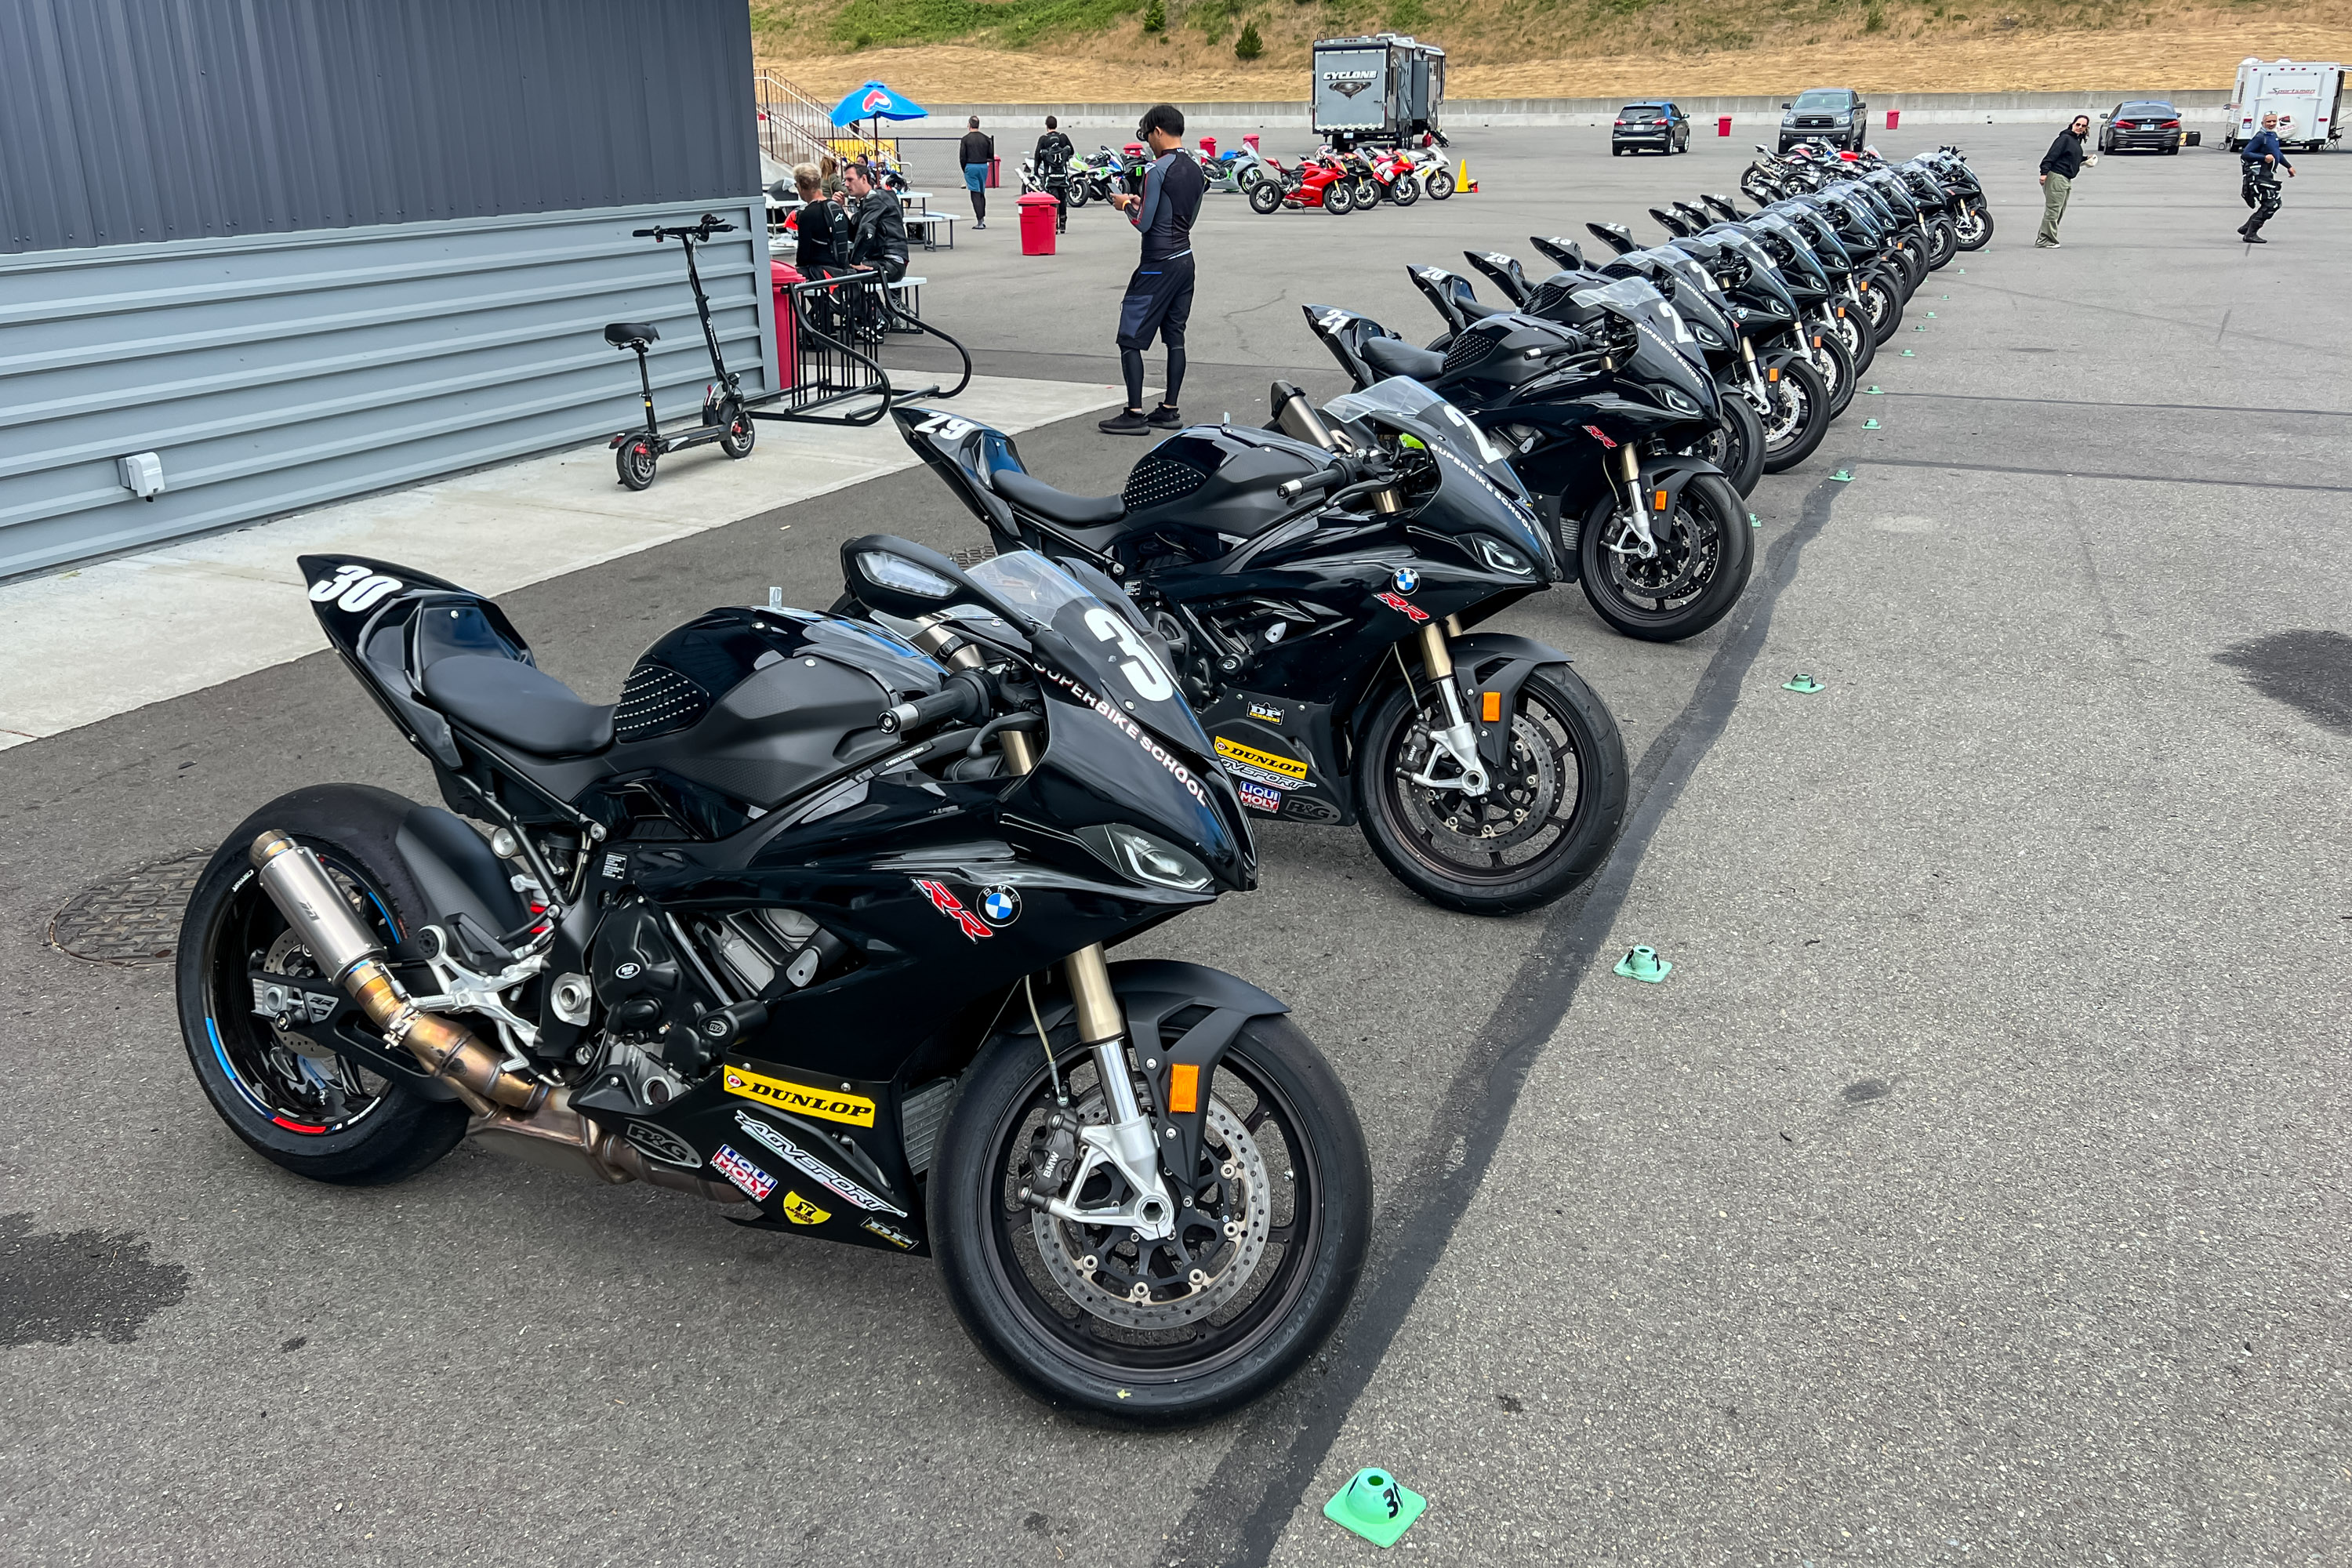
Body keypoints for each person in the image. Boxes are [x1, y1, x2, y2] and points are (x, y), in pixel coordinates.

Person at [1098, 103, 1205, 436]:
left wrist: (1125, 205)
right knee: (1175, 336)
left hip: (1157, 264)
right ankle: (1169, 409)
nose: (1147, 143)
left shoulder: (1157, 170)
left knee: (1130, 337)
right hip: (1185, 260)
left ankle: (1134, 413)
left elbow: (1144, 223)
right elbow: (1186, 218)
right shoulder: (1197, 169)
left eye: (1147, 136)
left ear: (1158, 131)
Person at [842, 161, 908, 283]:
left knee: (845, 273)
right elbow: (853, 235)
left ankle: (874, 303)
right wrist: (841, 211)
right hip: (889, 261)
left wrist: (855, 262)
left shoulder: (875, 199)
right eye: (845, 180)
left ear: (864, 179)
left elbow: (867, 232)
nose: (846, 184)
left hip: (890, 263)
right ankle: (879, 302)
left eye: (850, 180)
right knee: (839, 266)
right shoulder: (868, 201)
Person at [2238, 111, 2296, 243]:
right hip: (2258, 176)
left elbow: (2277, 153)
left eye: (2274, 121)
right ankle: (2250, 233)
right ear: (2263, 123)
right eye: (2268, 121)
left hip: (2268, 175)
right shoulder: (2260, 137)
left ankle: (2247, 228)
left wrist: (2288, 166)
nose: (2271, 124)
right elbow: (2246, 154)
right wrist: (2263, 157)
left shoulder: (2273, 136)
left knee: (2273, 203)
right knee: (2271, 204)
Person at [2036, 114, 2092, 249]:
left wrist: (2085, 159)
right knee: (2053, 210)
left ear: (2086, 128)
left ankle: (2046, 238)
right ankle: (2044, 240)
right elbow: (2051, 156)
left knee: (2059, 211)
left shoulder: (2075, 140)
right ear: (2072, 124)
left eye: (2083, 126)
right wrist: (2044, 173)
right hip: (2056, 176)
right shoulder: (2065, 138)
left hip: (2066, 178)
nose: (2080, 127)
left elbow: (2070, 158)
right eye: (2078, 124)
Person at [789, 163, 839, 274]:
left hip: (820, 273)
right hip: (840, 271)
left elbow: (803, 255)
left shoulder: (806, 214)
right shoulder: (835, 207)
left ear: (801, 186)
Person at [1034, 114, 1075, 234]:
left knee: (1052, 200)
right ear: (1056, 125)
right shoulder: (1063, 137)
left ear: (1046, 126)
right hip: (1062, 175)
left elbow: (1037, 156)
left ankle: (1054, 225)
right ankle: (1063, 224)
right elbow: (1071, 151)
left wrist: (1036, 171)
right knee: (1063, 199)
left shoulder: (1043, 139)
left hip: (1050, 177)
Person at [960, 116, 995, 231]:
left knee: (974, 193)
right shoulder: (986, 139)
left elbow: (962, 157)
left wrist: (964, 168)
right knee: (981, 192)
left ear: (969, 125)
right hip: (983, 166)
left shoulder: (965, 139)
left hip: (971, 166)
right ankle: (982, 218)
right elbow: (991, 154)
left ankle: (979, 220)